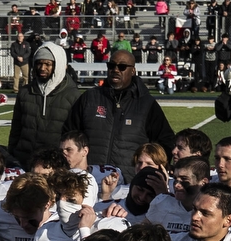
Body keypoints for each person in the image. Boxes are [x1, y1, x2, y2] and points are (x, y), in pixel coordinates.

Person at [61, 45, 174, 176]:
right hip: (88, 182)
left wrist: (149, 172)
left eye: (122, 67)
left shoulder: (146, 104)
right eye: (111, 65)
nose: (115, 70)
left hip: (129, 185)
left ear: (133, 71)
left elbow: (166, 142)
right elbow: (68, 135)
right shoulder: (89, 98)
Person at [6, 41, 80, 170]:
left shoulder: (73, 96)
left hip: (56, 165)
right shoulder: (25, 92)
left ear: (58, 65)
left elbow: (76, 136)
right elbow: (16, 128)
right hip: (24, 161)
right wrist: (13, 154)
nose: (42, 68)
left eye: (48, 64)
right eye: (39, 63)